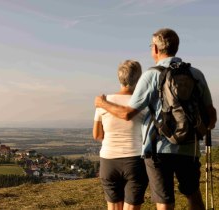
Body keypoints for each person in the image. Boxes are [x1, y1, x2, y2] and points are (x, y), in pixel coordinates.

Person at [94, 28, 217, 210]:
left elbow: (127, 113)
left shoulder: (151, 75)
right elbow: (211, 115)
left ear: (156, 50)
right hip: (189, 147)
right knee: (192, 193)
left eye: (151, 46)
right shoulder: (196, 74)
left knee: (164, 200)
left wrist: (102, 103)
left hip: (159, 148)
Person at [93, 60, 148, 210]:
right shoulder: (143, 103)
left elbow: (97, 135)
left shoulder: (103, 102)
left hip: (109, 160)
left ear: (119, 77)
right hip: (135, 161)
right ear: (138, 78)